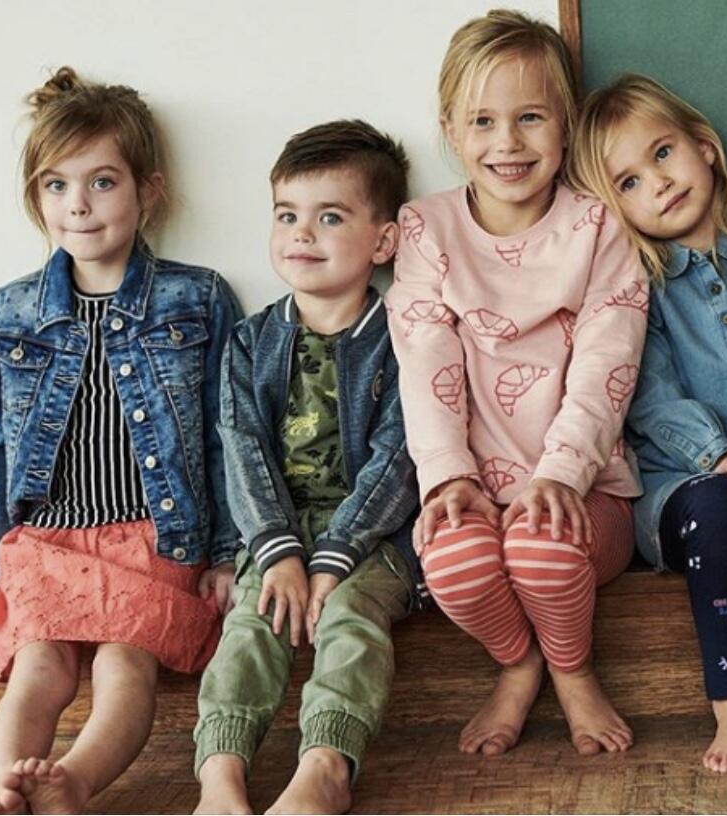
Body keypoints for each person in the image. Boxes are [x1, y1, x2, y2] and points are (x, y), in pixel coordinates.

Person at [0, 67, 242, 815]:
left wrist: (225, 551)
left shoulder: (197, 298)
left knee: (126, 666)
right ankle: (4, 788)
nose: (77, 205)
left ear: (149, 189)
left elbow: (227, 433)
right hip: (46, 541)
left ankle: (72, 784)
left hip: (155, 537)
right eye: (56, 185)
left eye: (102, 182)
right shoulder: (11, 310)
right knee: (40, 666)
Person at [386, 9, 648, 758]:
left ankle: (570, 669)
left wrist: (560, 475)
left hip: (587, 488)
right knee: (452, 562)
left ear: (566, 124)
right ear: (450, 129)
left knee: (541, 550)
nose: (507, 142)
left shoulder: (596, 226)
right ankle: (517, 662)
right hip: (472, 485)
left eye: (530, 117)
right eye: (483, 121)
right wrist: (447, 477)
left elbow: (606, 363)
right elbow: (425, 360)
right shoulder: (426, 228)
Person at [193, 119, 421, 815]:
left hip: (372, 539)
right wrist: (279, 551)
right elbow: (242, 449)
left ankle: (326, 765)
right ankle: (221, 773)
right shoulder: (250, 341)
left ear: (383, 241)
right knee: (251, 620)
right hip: (276, 533)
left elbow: (400, 458)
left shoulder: (405, 338)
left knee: (349, 617)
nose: (302, 234)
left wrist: (334, 556)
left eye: (330, 217)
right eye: (287, 215)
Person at [571, 73, 727, 775]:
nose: (657, 183)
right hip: (681, 489)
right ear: (615, 210)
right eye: (628, 182)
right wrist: (716, 453)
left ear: (704, 146)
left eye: (662, 154)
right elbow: (646, 394)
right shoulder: (637, 287)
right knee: (721, 504)